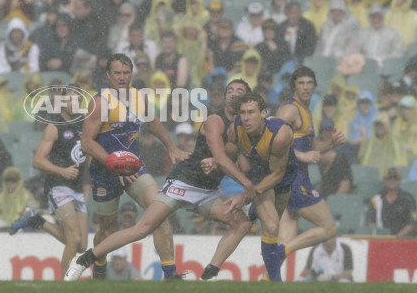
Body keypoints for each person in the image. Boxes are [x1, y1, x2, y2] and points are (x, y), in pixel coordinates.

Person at [65, 79, 256, 282]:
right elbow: (221, 156)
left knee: (242, 224)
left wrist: (221, 164)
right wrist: (244, 182)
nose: (234, 93)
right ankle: (84, 260)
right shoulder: (215, 120)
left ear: (247, 98)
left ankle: (208, 275)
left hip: (208, 190)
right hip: (183, 182)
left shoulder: (244, 127)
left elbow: (237, 159)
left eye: (240, 91)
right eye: (230, 90)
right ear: (225, 96)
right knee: (142, 229)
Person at [67, 53, 190, 280]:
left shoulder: (138, 97)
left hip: (134, 168)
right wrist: (112, 163)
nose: (122, 77)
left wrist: (172, 147)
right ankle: (100, 269)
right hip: (105, 173)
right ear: (108, 75)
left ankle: (171, 275)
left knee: (159, 211)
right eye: (117, 73)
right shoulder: (100, 102)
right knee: (107, 229)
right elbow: (86, 142)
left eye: (126, 73)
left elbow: (153, 123)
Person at [9, 85, 89, 275]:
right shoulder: (54, 127)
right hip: (59, 186)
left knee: (81, 245)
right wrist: (62, 171)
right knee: (74, 237)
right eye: (70, 99)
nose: (74, 103)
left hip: (77, 188)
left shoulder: (84, 125)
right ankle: (65, 284)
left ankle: (35, 220)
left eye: (78, 99)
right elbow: (37, 161)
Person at [273, 67, 346, 274]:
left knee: (285, 237)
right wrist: (302, 156)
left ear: (314, 85)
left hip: (293, 180)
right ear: (294, 86)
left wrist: (330, 144)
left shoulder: (306, 110)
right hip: (294, 179)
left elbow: (311, 146)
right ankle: (284, 250)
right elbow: (272, 143)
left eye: (309, 83)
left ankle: (266, 280)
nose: (305, 87)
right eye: (301, 83)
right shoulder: (289, 110)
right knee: (329, 228)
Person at [224, 91, 299, 281]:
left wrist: (248, 192)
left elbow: (277, 174)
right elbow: (227, 159)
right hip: (258, 176)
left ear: (264, 113)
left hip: (282, 179)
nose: (246, 118)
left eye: (251, 112)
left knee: (272, 230)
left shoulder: (280, 134)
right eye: (243, 113)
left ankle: (268, 279)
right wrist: (213, 160)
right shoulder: (236, 128)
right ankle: (275, 282)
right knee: (272, 225)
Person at [366, 167, 416, 237]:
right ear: (384, 180)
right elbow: (370, 222)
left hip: (402, 240)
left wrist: (396, 238)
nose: (392, 180)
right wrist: (382, 235)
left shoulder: (408, 198)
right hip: (382, 239)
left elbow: (412, 224)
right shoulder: (376, 199)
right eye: (389, 178)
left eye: (395, 178)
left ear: (400, 180)